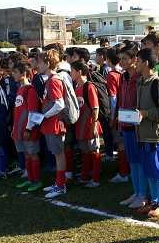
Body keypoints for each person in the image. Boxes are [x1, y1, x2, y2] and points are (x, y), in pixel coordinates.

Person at [134, 48, 159, 217]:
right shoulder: (140, 82)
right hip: (142, 134)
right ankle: (153, 201)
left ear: (145, 63)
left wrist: (146, 114)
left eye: (138, 60)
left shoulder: (158, 84)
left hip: (156, 136)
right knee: (148, 169)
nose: (135, 63)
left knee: (158, 170)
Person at [117, 44, 148, 208]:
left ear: (134, 60)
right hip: (125, 124)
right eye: (120, 59)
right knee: (132, 162)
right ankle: (136, 192)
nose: (121, 62)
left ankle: (143, 194)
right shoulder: (123, 77)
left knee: (140, 162)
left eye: (124, 59)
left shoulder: (140, 78)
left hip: (138, 126)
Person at [39, 49, 70, 199]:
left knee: (59, 154)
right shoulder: (50, 80)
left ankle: (61, 185)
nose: (37, 65)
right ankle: (58, 182)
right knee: (57, 154)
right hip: (51, 123)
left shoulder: (54, 80)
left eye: (39, 62)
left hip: (55, 123)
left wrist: (43, 115)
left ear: (47, 63)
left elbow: (59, 104)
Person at [10, 63, 44, 191]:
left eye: (15, 72)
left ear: (23, 74)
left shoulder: (30, 90)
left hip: (28, 130)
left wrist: (29, 128)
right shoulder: (20, 89)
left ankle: (37, 180)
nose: (13, 74)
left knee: (33, 154)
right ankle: (30, 179)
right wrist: (15, 128)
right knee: (26, 154)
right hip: (19, 129)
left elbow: (32, 111)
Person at [71, 60, 103, 188]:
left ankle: (95, 179)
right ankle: (85, 176)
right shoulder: (76, 87)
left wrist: (94, 125)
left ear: (79, 72)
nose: (71, 73)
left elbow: (95, 108)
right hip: (81, 125)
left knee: (94, 150)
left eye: (72, 70)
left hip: (90, 125)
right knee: (85, 151)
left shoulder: (89, 86)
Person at [106, 48, 130, 182]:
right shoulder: (122, 73)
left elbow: (113, 98)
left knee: (121, 144)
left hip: (119, 113)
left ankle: (123, 172)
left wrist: (112, 117)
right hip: (126, 111)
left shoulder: (112, 75)